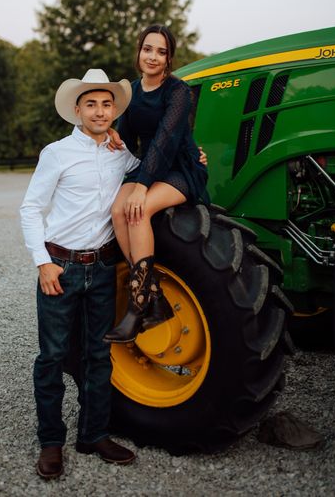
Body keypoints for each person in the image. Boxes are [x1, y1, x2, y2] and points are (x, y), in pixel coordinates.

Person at [20, 69, 140, 480]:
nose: (100, 110)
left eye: (107, 104)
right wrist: (42, 262)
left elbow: (149, 173)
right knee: (52, 357)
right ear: (77, 110)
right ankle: (51, 442)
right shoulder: (56, 153)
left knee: (97, 356)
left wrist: (195, 159)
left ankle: (94, 435)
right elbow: (30, 209)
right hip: (61, 267)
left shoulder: (121, 154)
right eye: (91, 103)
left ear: (114, 110)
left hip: (104, 268)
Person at [103, 24, 210, 344]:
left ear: (168, 59)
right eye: (148, 49)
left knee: (139, 209)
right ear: (139, 52)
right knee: (117, 209)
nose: (153, 56)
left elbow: (165, 141)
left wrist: (141, 187)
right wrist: (113, 137)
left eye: (161, 52)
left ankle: (137, 309)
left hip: (179, 167)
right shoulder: (131, 92)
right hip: (146, 167)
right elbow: (129, 140)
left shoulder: (178, 91)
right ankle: (154, 296)